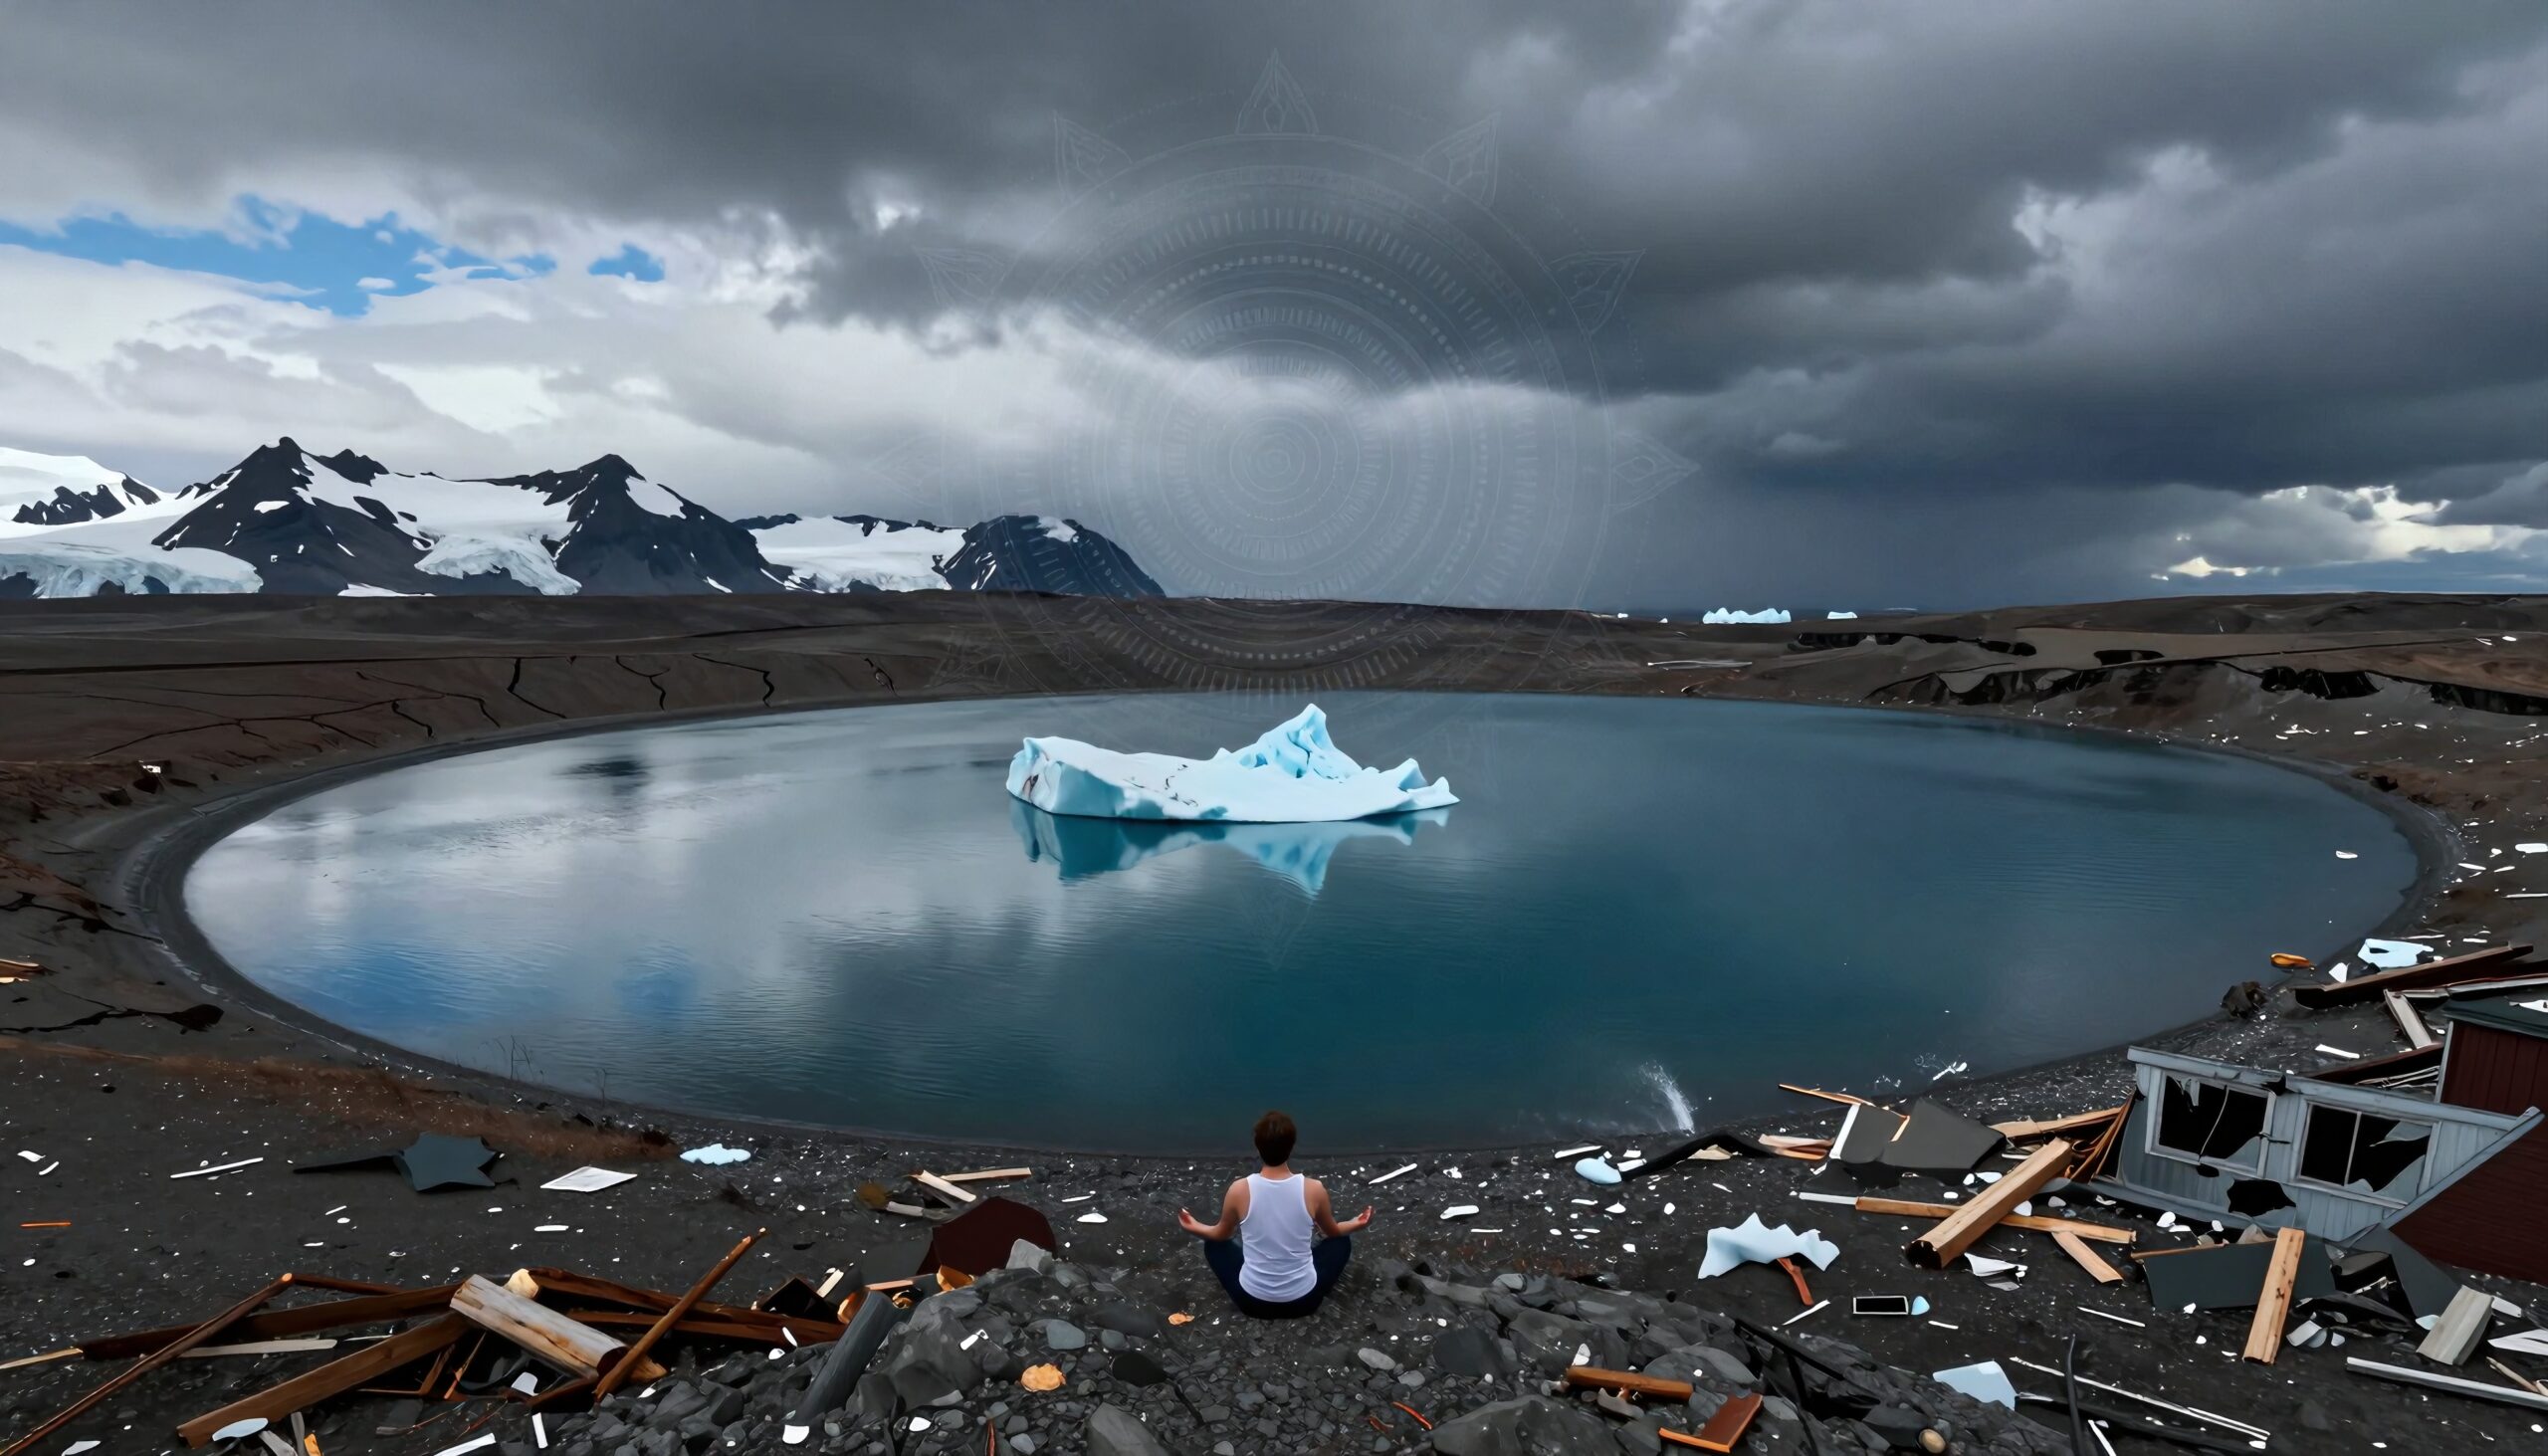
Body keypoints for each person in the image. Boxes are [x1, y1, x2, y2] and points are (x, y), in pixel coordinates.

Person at [1177, 1110, 1371, 1318]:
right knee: (1340, 1242)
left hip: (1251, 1303)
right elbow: (1332, 1231)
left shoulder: (1239, 1189)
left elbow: (1220, 1235)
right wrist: (1355, 1223)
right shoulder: (1314, 1189)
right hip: (1304, 1302)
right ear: (1292, 1146)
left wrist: (1194, 1226)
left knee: (1213, 1244)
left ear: (1257, 1147)